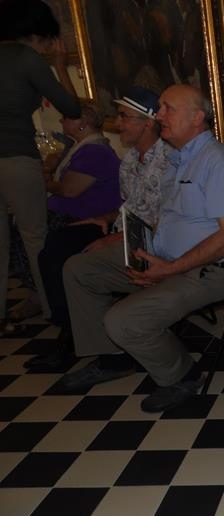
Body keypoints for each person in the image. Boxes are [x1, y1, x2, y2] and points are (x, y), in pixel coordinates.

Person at [50, 84, 224, 413]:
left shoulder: (220, 162)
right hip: (162, 257)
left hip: (206, 271)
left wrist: (169, 270)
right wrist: (138, 249)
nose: (159, 115)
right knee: (79, 269)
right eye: (159, 107)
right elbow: (165, 218)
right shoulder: (177, 159)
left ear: (197, 118)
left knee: (122, 319)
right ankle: (114, 358)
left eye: (168, 108)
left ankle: (184, 375)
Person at [25, 86, 168, 371]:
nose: (118, 124)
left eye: (125, 117)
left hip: (149, 239)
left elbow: (167, 218)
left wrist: (118, 237)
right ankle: (71, 330)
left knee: (69, 260)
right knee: (55, 245)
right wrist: (105, 217)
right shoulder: (130, 160)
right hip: (122, 227)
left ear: (148, 123)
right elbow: (129, 205)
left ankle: (89, 341)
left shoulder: (169, 162)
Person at [0, 0, 80, 333]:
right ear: (39, 33)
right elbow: (71, 108)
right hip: (16, 157)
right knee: (35, 237)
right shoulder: (26, 59)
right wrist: (60, 66)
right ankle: (53, 310)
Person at [8, 100, 122, 320]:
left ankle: (46, 297)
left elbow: (69, 190)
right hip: (68, 213)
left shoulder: (95, 151)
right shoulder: (79, 147)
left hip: (83, 217)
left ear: (83, 123)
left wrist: (42, 181)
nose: (61, 120)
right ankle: (41, 293)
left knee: (27, 232)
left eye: (67, 117)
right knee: (20, 224)